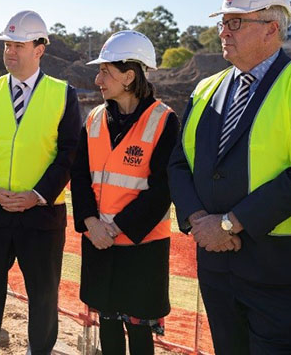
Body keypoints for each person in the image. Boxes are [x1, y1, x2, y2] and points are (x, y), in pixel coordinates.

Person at [168, 0, 291, 354]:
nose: (224, 31)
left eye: (235, 21)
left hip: (282, 273)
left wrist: (229, 223)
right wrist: (196, 221)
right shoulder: (205, 88)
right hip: (217, 268)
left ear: (272, 28)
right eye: (223, 22)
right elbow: (178, 164)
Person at [0, 10, 81, 355]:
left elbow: (69, 153)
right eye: (7, 45)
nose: (10, 52)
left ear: (39, 49)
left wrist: (38, 195)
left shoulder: (63, 94)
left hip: (41, 216)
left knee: (43, 297)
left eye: (18, 45)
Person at [71, 31, 179, 354]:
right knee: (108, 328)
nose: (98, 78)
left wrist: (115, 228)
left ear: (130, 76)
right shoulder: (93, 119)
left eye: (106, 71)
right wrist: (92, 224)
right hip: (99, 243)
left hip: (141, 248)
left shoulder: (164, 120)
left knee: (140, 333)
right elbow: (79, 177)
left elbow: (163, 188)